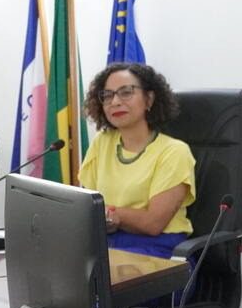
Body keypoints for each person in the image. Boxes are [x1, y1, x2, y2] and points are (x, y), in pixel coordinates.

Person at [78, 62, 195, 256]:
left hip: (158, 248)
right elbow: (84, 204)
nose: (115, 102)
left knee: (97, 282)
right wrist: (104, 216)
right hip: (104, 241)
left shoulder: (174, 152)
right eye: (107, 95)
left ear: (149, 99)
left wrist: (111, 214)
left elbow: (153, 224)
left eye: (126, 92)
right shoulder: (102, 142)